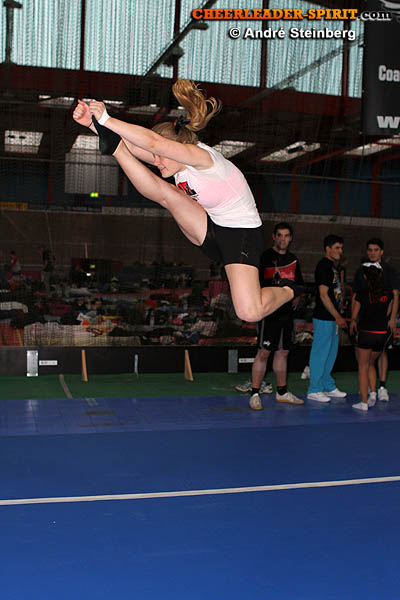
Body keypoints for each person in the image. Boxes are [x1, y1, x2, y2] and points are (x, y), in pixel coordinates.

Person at [72, 80, 302, 324]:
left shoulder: (201, 158)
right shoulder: (174, 162)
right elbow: (141, 148)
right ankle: (115, 150)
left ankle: (292, 289)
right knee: (167, 194)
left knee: (249, 312)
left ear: (176, 148)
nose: (156, 162)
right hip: (211, 227)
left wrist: (107, 118)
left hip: (241, 235)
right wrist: (94, 125)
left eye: (161, 157)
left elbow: (153, 143)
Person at [241, 222, 305, 410]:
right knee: (264, 352)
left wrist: (297, 296)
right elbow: (254, 283)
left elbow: (299, 284)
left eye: (286, 235)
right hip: (269, 313)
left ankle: (282, 392)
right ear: (274, 237)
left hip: (287, 314)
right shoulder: (264, 258)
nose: (283, 239)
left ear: (290, 238)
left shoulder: (293, 260)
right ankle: (254, 393)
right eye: (280, 235)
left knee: (283, 352)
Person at [352, 238, 399, 402]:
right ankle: (368, 389)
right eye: (370, 250)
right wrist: (353, 318)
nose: (373, 253)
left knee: (380, 354)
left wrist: (392, 318)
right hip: (366, 323)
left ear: (382, 252)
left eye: (376, 250)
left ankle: (381, 387)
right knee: (365, 360)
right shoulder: (360, 271)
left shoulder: (390, 271)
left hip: (382, 323)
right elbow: (356, 297)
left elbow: (395, 297)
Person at [307, 234, 348, 403]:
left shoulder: (333, 267)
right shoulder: (323, 266)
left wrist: (338, 314)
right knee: (320, 352)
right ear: (328, 249)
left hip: (333, 318)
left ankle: (327, 385)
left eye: (341, 248)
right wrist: (337, 316)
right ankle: (314, 389)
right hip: (324, 317)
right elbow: (323, 295)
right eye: (337, 248)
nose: (340, 251)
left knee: (331, 353)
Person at [350, 262, 393, 411]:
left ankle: (363, 402)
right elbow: (388, 312)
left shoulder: (362, 293)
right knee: (370, 364)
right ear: (380, 275)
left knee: (362, 367)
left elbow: (354, 314)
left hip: (366, 334)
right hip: (381, 335)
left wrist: (354, 321)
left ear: (364, 276)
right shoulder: (387, 293)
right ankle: (373, 393)